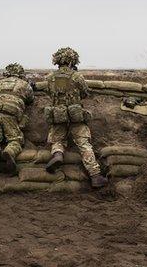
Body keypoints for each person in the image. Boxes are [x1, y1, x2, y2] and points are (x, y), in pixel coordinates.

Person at [43, 47, 108, 188]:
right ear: (73, 60)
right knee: (84, 144)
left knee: (57, 140)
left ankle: (58, 155)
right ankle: (95, 176)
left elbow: (49, 92)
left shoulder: (50, 77)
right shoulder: (76, 76)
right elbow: (85, 92)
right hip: (76, 115)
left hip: (58, 115)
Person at [0, 63, 34, 175]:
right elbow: (30, 100)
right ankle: (9, 152)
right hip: (12, 111)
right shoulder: (25, 84)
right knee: (15, 139)